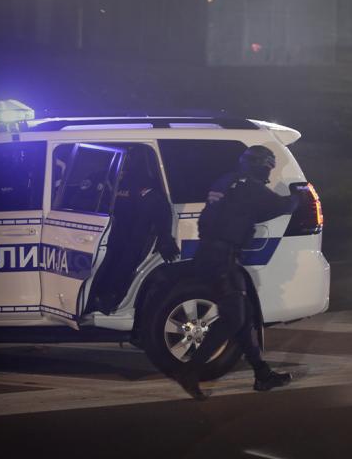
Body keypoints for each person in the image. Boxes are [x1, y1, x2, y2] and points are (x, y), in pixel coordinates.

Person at [176, 145, 300, 400]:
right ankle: (191, 370)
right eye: (268, 168)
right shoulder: (251, 188)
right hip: (222, 260)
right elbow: (284, 206)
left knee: (243, 317)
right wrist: (300, 196)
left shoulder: (226, 181)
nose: (268, 173)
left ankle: (262, 374)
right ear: (261, 166)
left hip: (209, 255)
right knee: (234, 318)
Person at [87, 149, 179, 315]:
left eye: (126, 161)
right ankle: (98, 298)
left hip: (134, 236)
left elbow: (160, 209)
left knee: (123, 265)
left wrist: (165, 237)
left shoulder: (144, 185)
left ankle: (109, 299)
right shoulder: (116, 182)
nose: (121, 167)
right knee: (107, 264)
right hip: (116, 234)